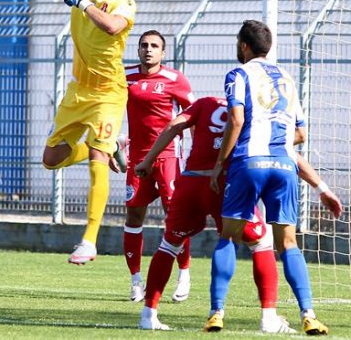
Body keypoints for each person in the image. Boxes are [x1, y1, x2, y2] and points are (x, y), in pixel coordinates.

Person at [134, 96, 340, 331]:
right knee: (261, 242)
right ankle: (267, 317)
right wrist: (321, 187)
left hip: (190, 183)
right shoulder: (250, 113)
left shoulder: (204, 103)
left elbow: (173, 125)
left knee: (169, 244)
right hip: (224, 184)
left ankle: (148, 314)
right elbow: (285, 150)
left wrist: (148, 160)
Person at [5, 0, 137, 263]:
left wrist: (82, 5)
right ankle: (110, 147)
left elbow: (111, 26)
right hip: (78, 91)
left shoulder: (124, 1)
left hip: (109, 93)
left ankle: (89, 240)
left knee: (97, 158)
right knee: (51, 159)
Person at [205, 20, 337, 335]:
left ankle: (216, 313)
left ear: (244, 46)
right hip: (283, 167)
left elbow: (236, 120)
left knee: (228, 236)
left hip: (248, 164)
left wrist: (219, 163)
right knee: (288, 243)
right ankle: (309, 315)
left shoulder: (238, 74)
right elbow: (301, 133)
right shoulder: (288, 79)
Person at [121, 30, 194, 302]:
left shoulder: (175, 79)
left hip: (168, 159)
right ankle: (135, 281)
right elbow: (109, 105)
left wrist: (197, 152)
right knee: (133, 217)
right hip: (137, 160)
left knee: (175, 218)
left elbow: (193, 115)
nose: (148, 49)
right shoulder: (125, 77)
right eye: (144, 45)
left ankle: (184, 273)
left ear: (163, 53)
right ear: (138, 49)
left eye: (154, 46)